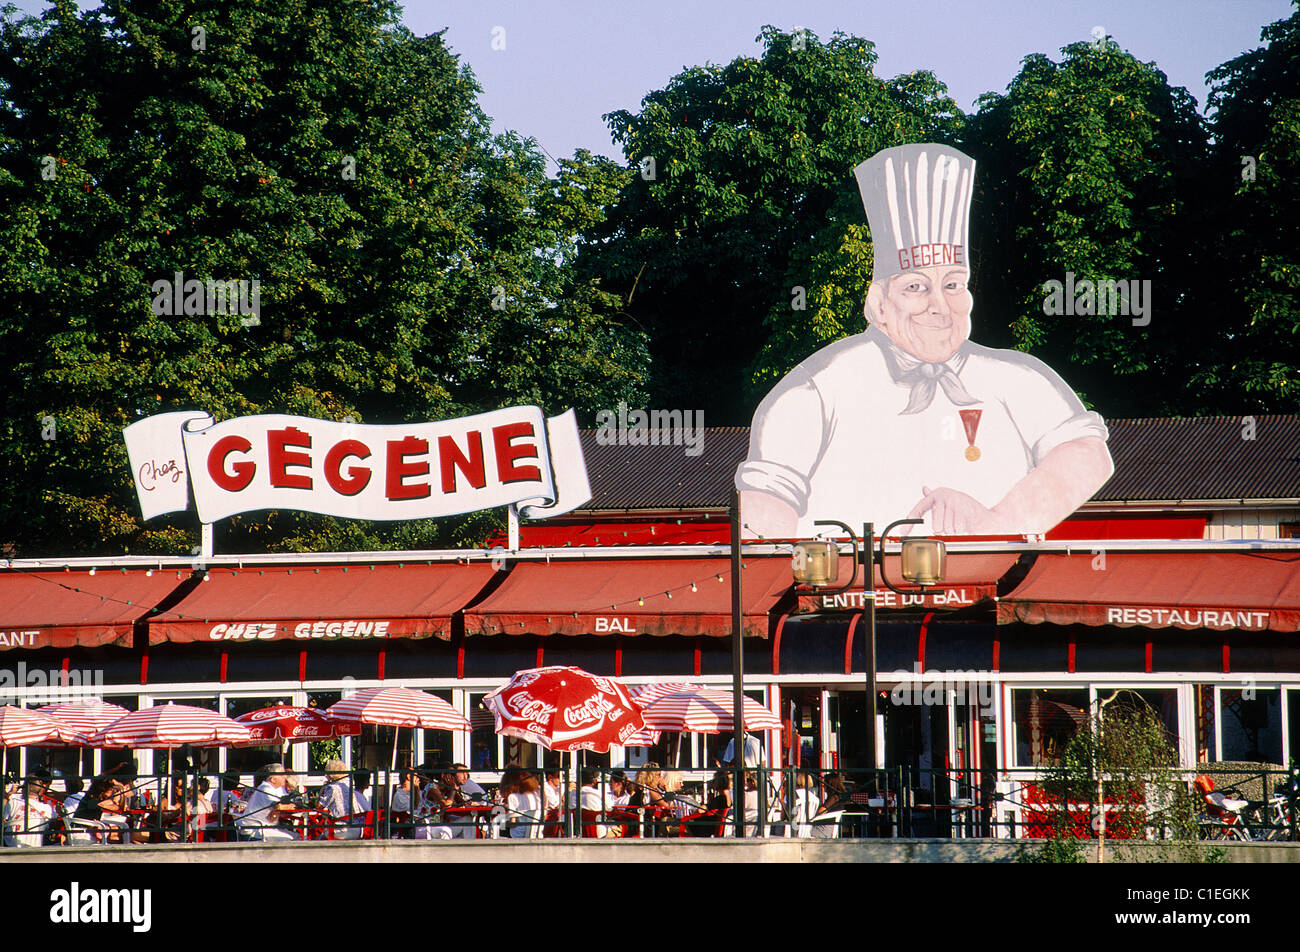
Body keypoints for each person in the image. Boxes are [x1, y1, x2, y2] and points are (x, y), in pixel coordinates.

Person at [737, 143, 1113, 539]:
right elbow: (763, 513)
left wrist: (995, 524)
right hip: (849, 589)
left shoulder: (1017, 377)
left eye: (953, 285)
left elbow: (1087, 455)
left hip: (993, 585)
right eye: (916, 287)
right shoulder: (818, 386)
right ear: (879, 303)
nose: (940, 306)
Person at [236, 763, 296, 841]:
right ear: (273, 779)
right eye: (282, 774)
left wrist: (276, 810)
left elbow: (282, 805)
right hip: (255, 829)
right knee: (291, 839)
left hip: (266, 827)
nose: (285, 776)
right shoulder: (265, 788)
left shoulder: (277, 789)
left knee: (296, 836)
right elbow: (278, 806)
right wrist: (277, 809)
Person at [316, 759, 370, 840]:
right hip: (357, 828)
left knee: (318, 838)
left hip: (343, 829)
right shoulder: (346, 788)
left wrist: (322, 789)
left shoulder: (332, 788)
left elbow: (318, 806)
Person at [3, 768, 57, 847]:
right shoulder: (48, 809)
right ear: (41, 789)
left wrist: (9, 794)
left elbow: (2, 815)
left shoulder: (12, 803)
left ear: (24, 789)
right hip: (34, 849)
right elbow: (55, 825)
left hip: (10, 847)